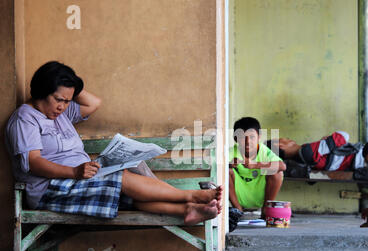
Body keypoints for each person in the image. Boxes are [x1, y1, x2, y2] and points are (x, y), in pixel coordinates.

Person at [5, 61, 222, 226]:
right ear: (42, 91)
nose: (63, 106)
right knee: (122, 179)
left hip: (81, 178)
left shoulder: (59, 113)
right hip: (52, 188)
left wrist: (70, 86)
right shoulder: (25, 118)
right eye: (58, 99)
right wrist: (74, 172)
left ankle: (187, 210)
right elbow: (33, 163)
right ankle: (193, 196)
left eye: (68, 101)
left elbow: (93, 103)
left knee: (135, 169)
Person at [229, 117, 286, 218]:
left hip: (260, 195)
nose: (247, 141)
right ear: (235, 138)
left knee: (277, 172)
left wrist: (255, 164)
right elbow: (217, 165)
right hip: (239, 196)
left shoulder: (264, 151)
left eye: (252, 137)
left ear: (259, 137)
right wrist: (229, 164)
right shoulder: (231, 152)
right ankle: (238, 211)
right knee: (224, 170)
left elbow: (282, 166)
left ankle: (266, 210)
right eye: (242, 137)